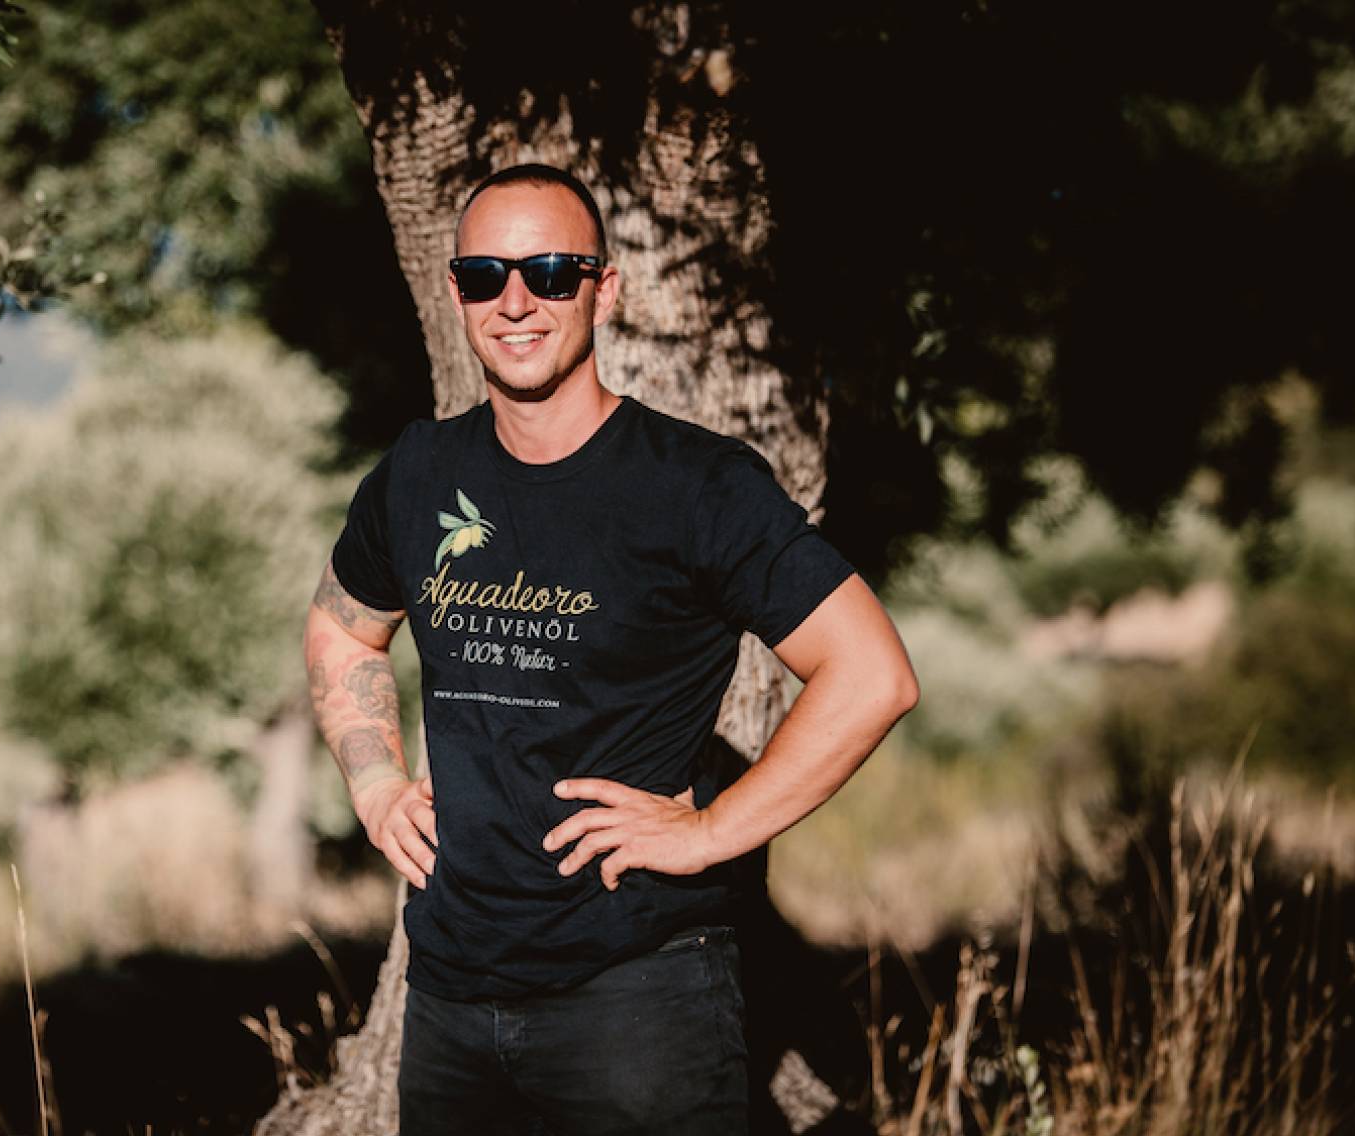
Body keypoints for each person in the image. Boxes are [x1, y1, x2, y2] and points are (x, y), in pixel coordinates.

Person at [303, 162, 919, 1135]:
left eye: (549, 272)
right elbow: (343, 622)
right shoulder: (419, 471)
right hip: (451, 998)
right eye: (484, 275)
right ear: (454, 288)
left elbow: (871, 672)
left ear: (604, 287)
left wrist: (712, 830)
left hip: (636, 999)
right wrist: (374, 782)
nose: (515, 301)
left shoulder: (696, 485)